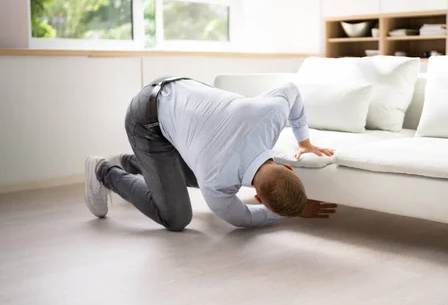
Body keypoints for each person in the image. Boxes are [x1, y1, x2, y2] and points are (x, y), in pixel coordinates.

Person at [84, 77, 337, 231]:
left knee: (195, 176)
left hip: (176, 85)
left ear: (289, 168)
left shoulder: (270, 115)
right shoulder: (216, 184)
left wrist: (303, 142)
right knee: (175, 218)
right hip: (146, 119)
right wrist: (284, 213)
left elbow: (291, 89)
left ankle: (131, 162)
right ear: (258, 198)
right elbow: (244, 218)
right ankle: (103, 171)